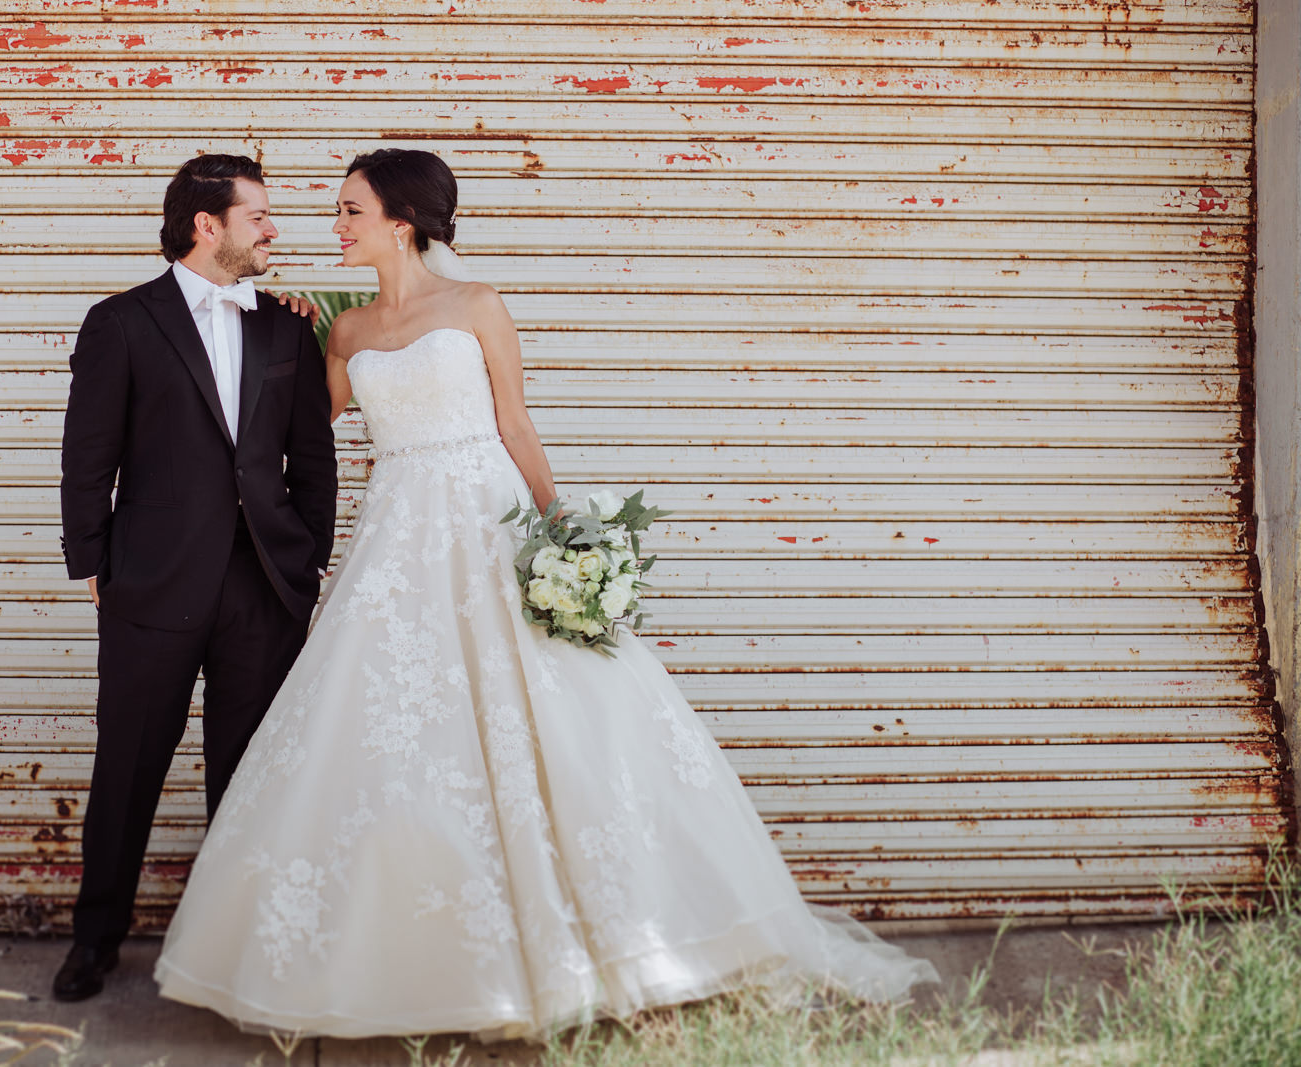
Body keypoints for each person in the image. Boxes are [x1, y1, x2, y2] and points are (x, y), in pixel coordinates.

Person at [154, 148, 937, 1039]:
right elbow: (304, 425)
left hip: (488, 525)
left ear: (400, 222)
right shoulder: (346, 331)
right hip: (397, 538)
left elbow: (515, 421)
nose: (334, 226)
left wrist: (564, 532)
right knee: (387, 724)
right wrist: (287, 329)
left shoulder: (478, 305)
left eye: (350, 210)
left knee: (559, 713)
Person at [54, 154, 337, 1002]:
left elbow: (312, 459)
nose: (274, 231)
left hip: (264, 588)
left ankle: (235, 945)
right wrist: (95, 564)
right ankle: (95, 939)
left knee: (246, 775)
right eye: (259, 217)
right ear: (206, 226)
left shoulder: (287, 326)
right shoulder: (121, 322)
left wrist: (308, 557)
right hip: (151, 587)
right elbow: (86, 457)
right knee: (128, 769)